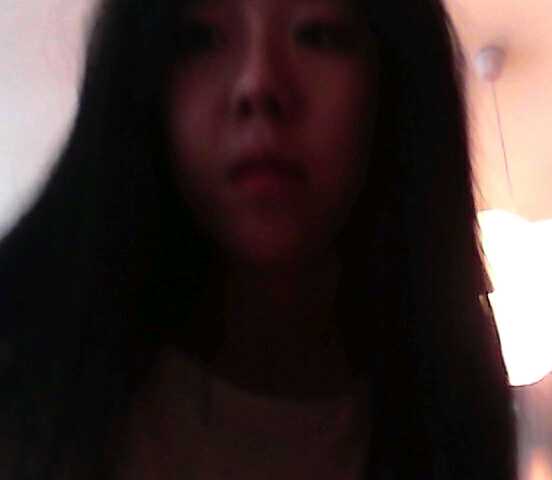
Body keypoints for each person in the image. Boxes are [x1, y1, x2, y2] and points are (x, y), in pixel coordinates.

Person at [0, 0, 517, 478]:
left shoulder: (452, 388)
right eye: (200, 38)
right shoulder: (24, 357)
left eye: (317, 34)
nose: (259, 85)